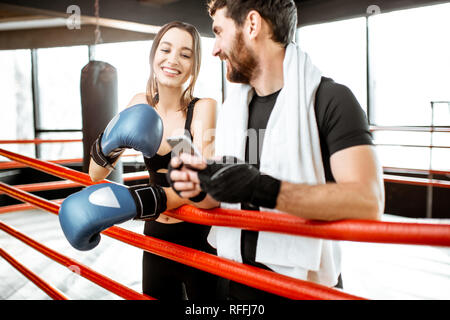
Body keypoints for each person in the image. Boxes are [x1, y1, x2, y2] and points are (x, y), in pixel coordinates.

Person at [167, 0, 385, 300]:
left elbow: (368, 201)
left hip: (304, 288)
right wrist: (198, 186)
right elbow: (224, 198)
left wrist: (262, 188)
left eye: (219, 32)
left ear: (252, 25)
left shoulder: (331, 100)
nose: (215, 49)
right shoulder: (233, 109)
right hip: (238, 282)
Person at [88, 21, 218, 300]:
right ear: (153, 55)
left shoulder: (203, 108)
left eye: (185, 54)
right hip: (156, 236)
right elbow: (96, 174)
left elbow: (202, 184)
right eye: (166, 49)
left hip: (199, 237)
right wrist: (111, 142)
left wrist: (137, 202)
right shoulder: (139, 104)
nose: (173, 60)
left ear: (195, 64)